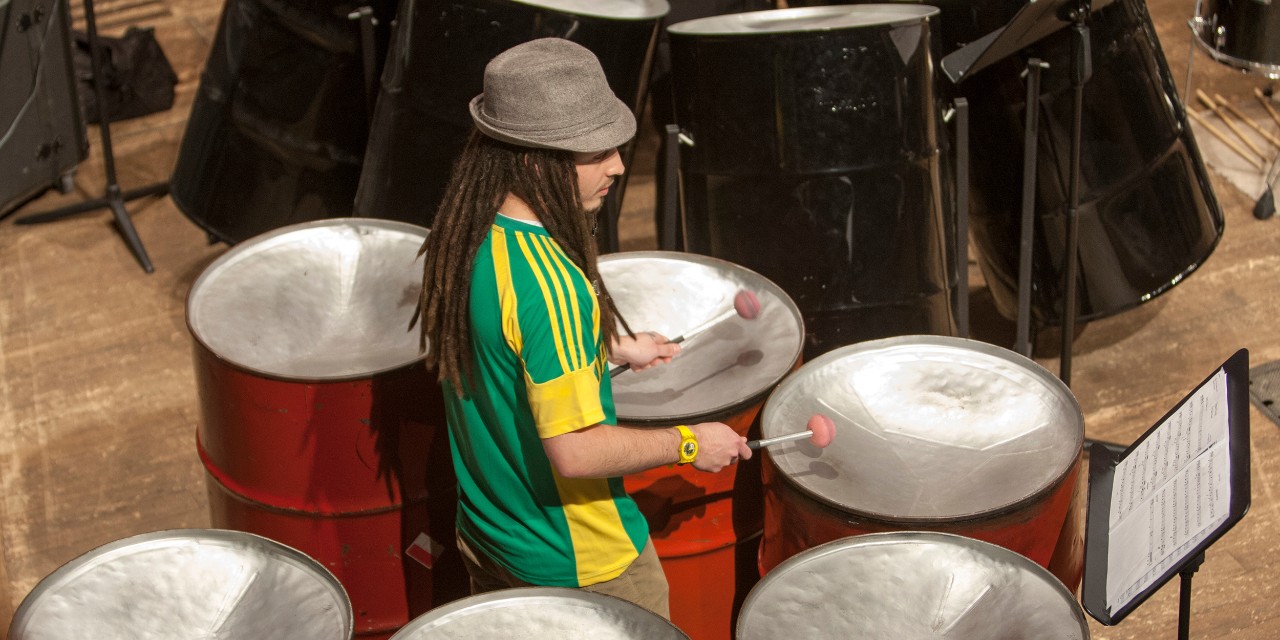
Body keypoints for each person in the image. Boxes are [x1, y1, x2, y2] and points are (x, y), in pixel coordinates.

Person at [412, 37, 752, 618]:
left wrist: (608, 345)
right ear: (533, 161)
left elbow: (503, 343)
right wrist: (690, 442)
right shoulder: (552, 288)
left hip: (491, 536)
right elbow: (575, 452)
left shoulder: (464, 236)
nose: (618, 165)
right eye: (596, 152)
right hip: (579, 564)